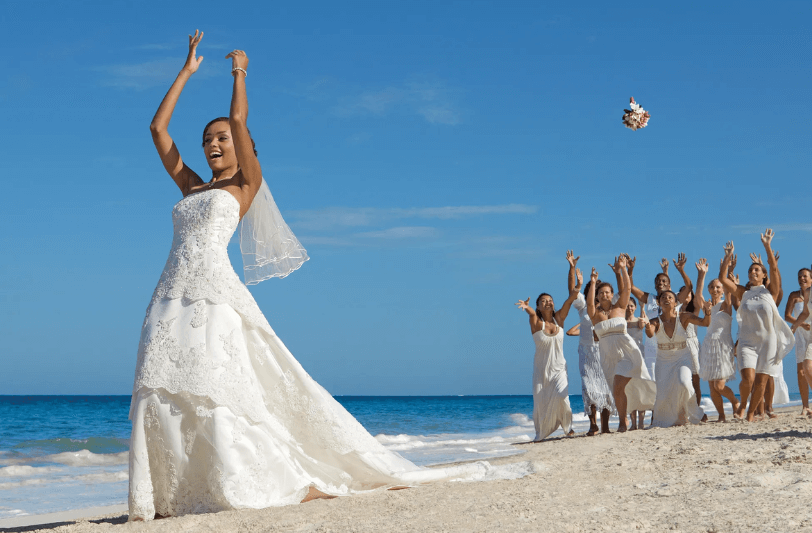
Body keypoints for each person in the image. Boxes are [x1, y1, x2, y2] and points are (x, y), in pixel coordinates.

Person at [129, 31, 494, 521]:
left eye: (221, 139)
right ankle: (182, 490)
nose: (213, 144)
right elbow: (157, 129)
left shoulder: (244, 185)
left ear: (242, 149)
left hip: (213, 295)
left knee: (216, 387)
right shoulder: (192, 187)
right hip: (169, 297)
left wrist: (239, 72)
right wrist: (186, 72)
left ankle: (242, 481)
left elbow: (238, 118)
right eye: (207, 140)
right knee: (164, 388)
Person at [717, 232, 794, 422]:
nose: (753, 272)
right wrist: (727, 257)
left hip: (768, 342)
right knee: (748, 380)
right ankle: (743, 405)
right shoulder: (743, 292)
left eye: (757, 270)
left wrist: (767, 246)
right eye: (751, 270)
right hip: (747, 342)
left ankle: (751, 413)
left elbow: (774, 271)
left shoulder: (772, 293)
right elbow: (723, 279)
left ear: (764, 275)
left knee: (761, 381)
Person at [587, 257, 656, 432]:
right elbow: (588, 303)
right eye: (601, 293)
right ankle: (624, 419)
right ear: (597, 295)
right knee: (617, 390)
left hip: (626, 351)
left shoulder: (620, 307)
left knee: (618, 385)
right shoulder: (595, 314)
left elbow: (626, 288)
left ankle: (623, 422)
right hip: (608, 355)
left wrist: (624, 269)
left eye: (608, 292)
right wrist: (593, 282)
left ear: (612, 294)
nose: (605, 295)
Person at [515, 267, 581, 441]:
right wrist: (527, 307)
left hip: (559, 368)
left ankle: (568, 427)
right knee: (541, 402)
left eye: (550, 300)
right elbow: (530, 314)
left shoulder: (559, 319)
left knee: (562, 396)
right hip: (542, 370)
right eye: (543, 301)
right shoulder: (537, 323)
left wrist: (573, 273)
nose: (548, 302)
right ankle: (542, 433)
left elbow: (570, 300)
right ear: (538, 306)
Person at [565, 251, 614, 436]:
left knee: (606, 387)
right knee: (589, 387)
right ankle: (593, 424)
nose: (599, 294)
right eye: (596, 291)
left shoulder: (608, 310)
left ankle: (606, 426)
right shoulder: (583, 306)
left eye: (602, 292)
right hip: (586, 352)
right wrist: (572, 268)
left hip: (604, 351)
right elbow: (572, 290)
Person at [645, 291, 707, 427]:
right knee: (663, 393)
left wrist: (707, 313)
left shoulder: (684, 317)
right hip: (663, 358)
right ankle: (675, 418)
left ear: (675, 302)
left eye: (670, 297)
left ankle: (694, 413)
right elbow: (650, 334)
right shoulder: (655, 321)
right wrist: (647, 325)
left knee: (684, 383)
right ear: (658, 303)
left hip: (682, 356)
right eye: (663, 297)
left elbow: (705, 322)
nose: (666, 299)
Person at [695, 260, 740, 422]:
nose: (715, 289)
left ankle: (735, 401)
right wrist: (702, 275)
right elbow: (697, 295)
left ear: (722, 290)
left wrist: (727, 267)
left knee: (719, 386)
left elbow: (729, 289)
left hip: (723, 346)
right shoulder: (706, 305)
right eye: (712, 287)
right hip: (709, 346)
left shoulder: (726, 305)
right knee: (712, 387)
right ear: (709, 289)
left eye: (718, 287)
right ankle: (721, 415)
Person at [785, 268, 812, 416]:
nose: (802, 278)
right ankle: (805, 406)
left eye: (805, 276)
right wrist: (800, 325)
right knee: (801, 371)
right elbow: (787, 316)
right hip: (801, 335)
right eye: (799, 276)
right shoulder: (794, 296)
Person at [625, 297, 648, 429]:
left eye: (632, 306)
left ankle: (641, 422)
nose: (629, 308)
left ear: (635, 307)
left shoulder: (639, 320)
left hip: (639, 355)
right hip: (626, 356)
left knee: (641, 388)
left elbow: (642, 325)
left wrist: (642, 307)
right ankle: (633, 423)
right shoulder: (621, 322)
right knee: (630, 389)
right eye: (627, 306)